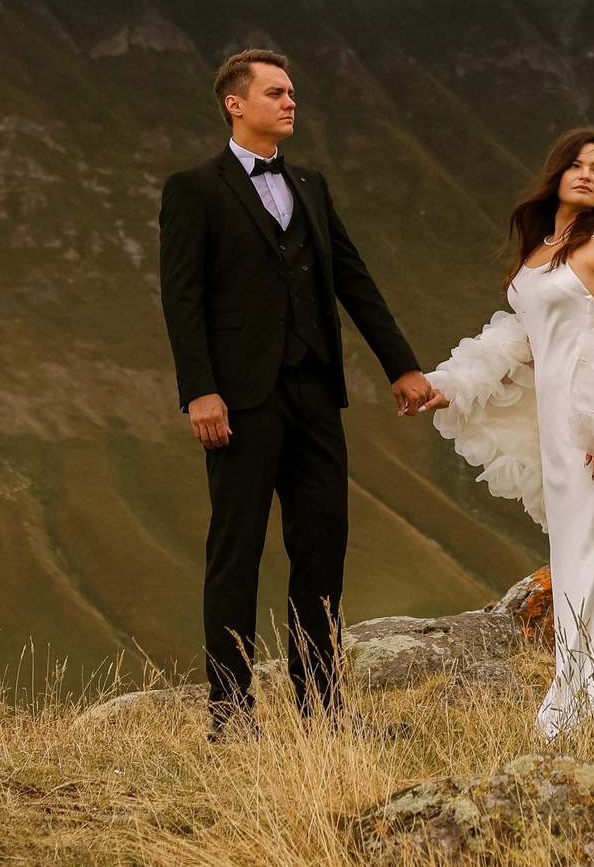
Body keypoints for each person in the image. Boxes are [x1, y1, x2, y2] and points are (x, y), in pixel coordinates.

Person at [158, 48, 440, 737]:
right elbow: (181, 297)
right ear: (235, 104)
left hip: (316, 393)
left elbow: (352, 277)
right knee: (236, 551)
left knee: (322, 549)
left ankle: (323, 708)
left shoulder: (310, 184)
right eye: (276, 92)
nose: (291, 102)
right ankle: (231, 713)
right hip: (240, 400)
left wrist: (401, 365)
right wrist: (201, 391)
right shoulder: (194, 189)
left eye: (291, 93)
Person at [417, 128, 594, 737]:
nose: (589, 175)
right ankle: (587, 687)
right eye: (579, 165)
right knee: (570, 554)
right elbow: (517, 343)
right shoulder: (534, 255)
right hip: (552, 428)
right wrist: (448, 385)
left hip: (593, 423)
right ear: (557, 172)